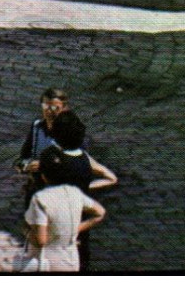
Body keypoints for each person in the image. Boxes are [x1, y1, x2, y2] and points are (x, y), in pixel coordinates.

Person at [48, 110, 117, 271]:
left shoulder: (54, 159)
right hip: (81, 218)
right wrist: (86, 185)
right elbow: (111, 178)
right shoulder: (85, 158)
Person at [18, 148, 106, 273]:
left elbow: (41, 241)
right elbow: (100, 212)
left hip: (48, 261)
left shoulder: (40, 199)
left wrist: (26, 231)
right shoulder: (75, 193)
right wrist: (75, 228)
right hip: (71, 259)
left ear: (43, 175)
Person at [16, 87, 69, 177]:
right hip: (38, 183)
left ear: (64, 108)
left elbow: (74, 163)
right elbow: (23, 158)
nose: (49, 111)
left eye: (54, 107)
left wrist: (45, 165)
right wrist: (26, 167)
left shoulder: (71, 132)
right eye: (45, 106)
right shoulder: (37, 127)